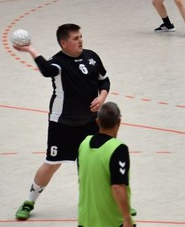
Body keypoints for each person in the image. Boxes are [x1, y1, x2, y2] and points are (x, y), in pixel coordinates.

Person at [12, 24, 110, 221]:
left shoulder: (91, 56)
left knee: (93, 165)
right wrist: (31, 50)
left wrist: (102, 97)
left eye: (81, 36)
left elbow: (104, 80)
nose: (80, 40)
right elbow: (47, 70)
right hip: (63, 124)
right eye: (75, 38)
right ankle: (29, 201)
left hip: (90, 123)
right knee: (52, 164)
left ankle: (108, 202)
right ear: (64, 43)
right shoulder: (58, 62)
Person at [78, 102, 134, 227]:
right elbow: (118, 186)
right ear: (119, 122)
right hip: (112, 221)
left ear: (97, 121)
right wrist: (127, 219)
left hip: (85, 220)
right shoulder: (118, 149)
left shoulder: (84, 144)